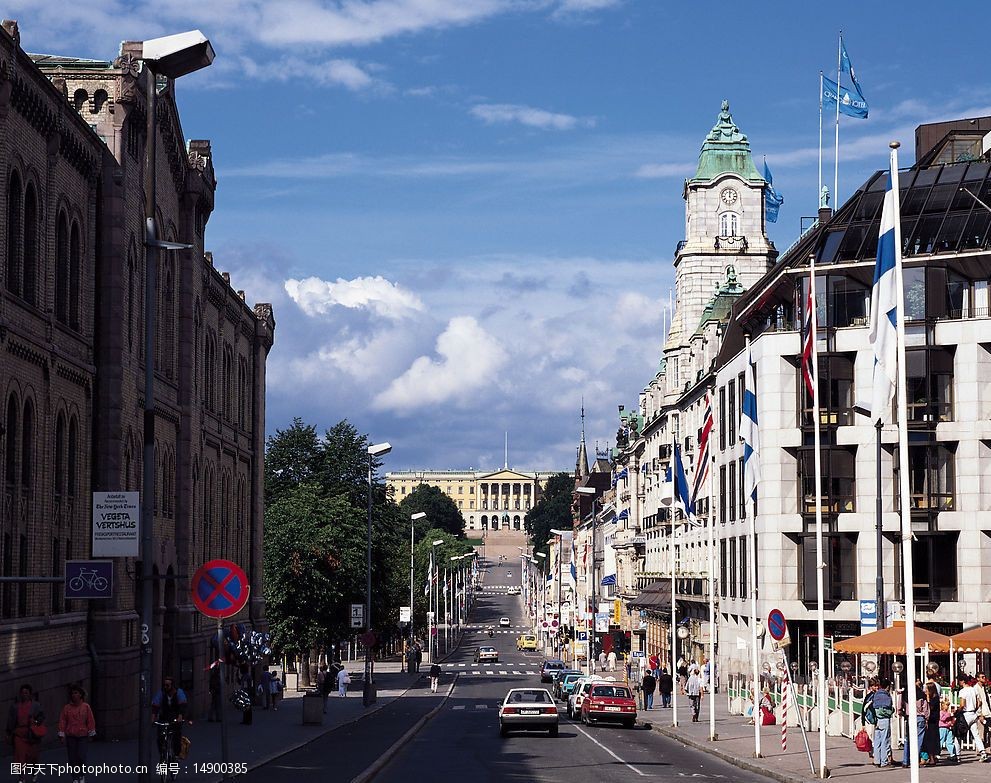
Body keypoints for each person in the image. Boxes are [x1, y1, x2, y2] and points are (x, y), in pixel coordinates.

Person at [6, 684, 45, 783]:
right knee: (19, 756)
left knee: (33, 757)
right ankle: (21, 777)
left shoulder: (36, 705)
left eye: (26, 693)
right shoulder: (15, 707)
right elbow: (10, 721)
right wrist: (9, 732)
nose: (24, 695)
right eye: (22, 693)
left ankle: (34, 771)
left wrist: (35, 722)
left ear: (30, 694)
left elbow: (41, 717)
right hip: (19, 734)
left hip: (32, 735)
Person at [58, 684, 96, 783]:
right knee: (72, 758)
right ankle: (75, 777)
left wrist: (91, 733)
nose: (74, 695)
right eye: (73, 693)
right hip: (71, 735)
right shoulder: (67, 708)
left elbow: (90, 720)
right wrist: (61, 734)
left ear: (80, 695)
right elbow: (62, 721)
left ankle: (81, 775)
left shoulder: (86, 707)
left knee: (81, 756)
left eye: (76, 693)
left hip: (82, 735)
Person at [151, 676, 187, 761]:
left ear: (172, 685)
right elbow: (155, 706)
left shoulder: (179, 692)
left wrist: (180, 716)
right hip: (164, 717)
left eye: (167, 685)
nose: (165, 687)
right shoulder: (161, 693)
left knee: (176, 735)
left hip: (175, 717)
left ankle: (176, 755)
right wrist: (153, 718)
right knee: (160, 737)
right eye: (164, 685)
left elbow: (183, 705)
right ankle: (163, 754)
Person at [956, 676, 989, 762]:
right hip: (973, 713)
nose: (959, 683)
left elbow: (962, 704)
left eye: (959, 681)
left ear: (962, 681)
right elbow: (979, 702)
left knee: (958, 734)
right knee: (976, 735)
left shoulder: (963, 691)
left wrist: (957, 711)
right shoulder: (973, 689)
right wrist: (975, 708)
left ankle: (957, 755)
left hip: (966, 714)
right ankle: (983, 752)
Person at [902, 683, 928, 767]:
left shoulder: (905, 695)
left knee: (908, 739)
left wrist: (901, 712)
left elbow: (899, 706)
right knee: (918, 740)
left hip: (909, 717)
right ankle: (915, 760)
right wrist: (926, 718)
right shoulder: (921, 695)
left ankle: (906, 761)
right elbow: (925, 708)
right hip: (920, 717)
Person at [872, 679, 894, 768]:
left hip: (876, 720)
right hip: (884, 719)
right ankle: (884, 761)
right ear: (888, 686)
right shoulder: (886, 696)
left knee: (877, 741)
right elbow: (888, 708)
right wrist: (892, 711)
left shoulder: (876, 695)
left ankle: (877, 760)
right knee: (885, 740)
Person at [922, 682, 941, 766]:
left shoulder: (935, 699)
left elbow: (930, 708)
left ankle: (932, 758)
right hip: (932, 721)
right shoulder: (935, 698)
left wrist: (927, 699)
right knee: (930, 739)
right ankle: (932, 757)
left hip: (933, 721)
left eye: (927, 689)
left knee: (931, 740)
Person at [938, 697, 958, 764]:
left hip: (948, 728)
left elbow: (950, 719)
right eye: (946, 705)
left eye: (948, 705)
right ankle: (937, 754)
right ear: (943, 705)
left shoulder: (947, 712)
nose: (947, 707)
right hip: (942, 728)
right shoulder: (941, 712)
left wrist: (952, 720)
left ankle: (953, 754)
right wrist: (948, 715)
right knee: (941, 741)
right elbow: (942, 719)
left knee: (950, 741)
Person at [861, 677, 879, 745]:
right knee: (871, 737)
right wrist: (863, 723)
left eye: (877, 685)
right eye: (875, 686)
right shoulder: (869, 696)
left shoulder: (877, 695)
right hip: (869, 720)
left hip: (876, 719)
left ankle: (873, 753)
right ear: (871, 687)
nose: (876, 687)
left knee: (874, 738)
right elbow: (863, 709)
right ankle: (872, 753)